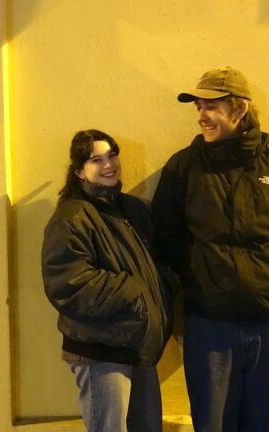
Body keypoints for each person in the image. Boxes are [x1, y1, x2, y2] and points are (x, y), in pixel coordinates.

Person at [152, 67, 269, 431]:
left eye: (210, 106)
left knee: (268, 423)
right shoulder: (183, 167)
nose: (201, 115)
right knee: (212, 423)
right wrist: (203, 274)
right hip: (209, 323)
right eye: (198, 106)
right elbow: (166, 235)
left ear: (239, 109)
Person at [42, 129, 173, 432]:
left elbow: (157, 262)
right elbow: (68, 285)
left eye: (112, 155)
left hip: (139, 347)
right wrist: (135, 293)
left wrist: (163, 291)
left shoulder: (133, 209)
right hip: (100, 352)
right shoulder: (72, 217)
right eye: (96, 160)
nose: (108, 165)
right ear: (80, 172)